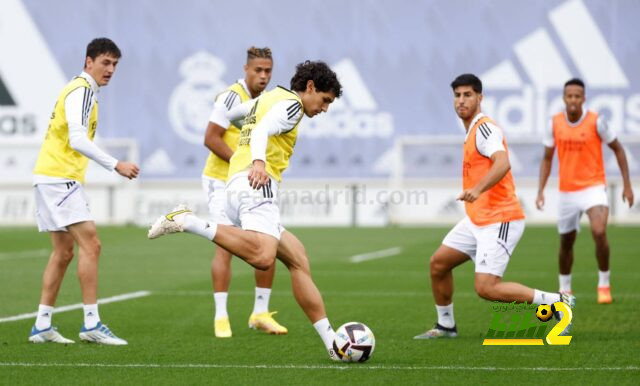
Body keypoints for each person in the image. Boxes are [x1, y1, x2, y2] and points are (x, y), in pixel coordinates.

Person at [149, 60, 343, 360]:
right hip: (255, 183)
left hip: (236, 184)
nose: (325, 108)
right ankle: (188, 221)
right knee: (264, 257)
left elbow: (234, 115)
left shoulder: (267, 98)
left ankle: (331, 342)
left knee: (298, 259)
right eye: (325, 100)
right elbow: (263, 128)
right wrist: (259, 163)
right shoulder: (291, 105)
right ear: (310, 87)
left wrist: (251, 142)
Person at [414, 74, 575, 339]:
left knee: (487, 288)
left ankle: (559, 301)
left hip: (501, 218)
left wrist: (477, 189)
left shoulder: (485, 129)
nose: (461, 100)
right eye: (457, 95)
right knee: (438, 264)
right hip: (478, 219)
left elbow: (502, 163)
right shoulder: (470, 131)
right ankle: (446, 325)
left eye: (468, 95)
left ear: (480, 98)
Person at [29, 38, 139, 345]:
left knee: (63, 252)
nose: (111, 69)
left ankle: (42, 325)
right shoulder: (82, 90)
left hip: (52, 177)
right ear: (88, 61)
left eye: (115, 64)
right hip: (58, 178)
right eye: (105, 62)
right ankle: (91, 322)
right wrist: (115, 164)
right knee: (92, 244)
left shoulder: (83, 90)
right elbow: (77, 139)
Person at [202, 46, 287, 338]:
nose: (263, 76)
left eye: (268, 72)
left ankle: (260, 312)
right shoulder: (230, 97)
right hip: (220, 179)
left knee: (267, 239)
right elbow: (210, 138)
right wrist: (246, 165)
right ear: (246, 69)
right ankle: (221, 315)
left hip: (249, 179)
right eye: (258, 71)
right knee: (225, 245)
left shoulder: (267, 100)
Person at [536, 78, 634, 304]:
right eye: (569, 96)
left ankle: (604, 283)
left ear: (583, 98)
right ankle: (564, 289)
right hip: (567, 193)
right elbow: (547, 159)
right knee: (566, 242)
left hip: (593, 187)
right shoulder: (554, 123)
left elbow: (618, 149)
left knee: (599, 231)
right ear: (563, 98)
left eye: (577, 96)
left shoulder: (596, 121)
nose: (573, 100)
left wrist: (627, 185)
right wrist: (540, 190)